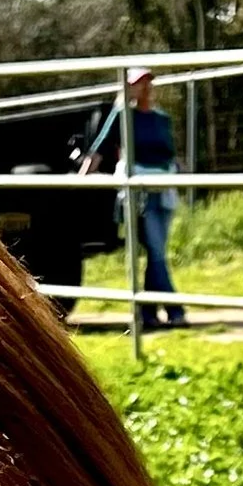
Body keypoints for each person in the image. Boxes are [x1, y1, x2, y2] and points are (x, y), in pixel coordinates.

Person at [82, 67, 185, 330]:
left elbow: (170, 154)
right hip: (139, 191)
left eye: (148, 82)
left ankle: (147, 312)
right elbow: (100, 149)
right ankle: (175, 310)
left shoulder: (162, 119)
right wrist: (79, 180)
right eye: (139, 83)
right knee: (156, 249)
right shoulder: (123, 115)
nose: (145, 87)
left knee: (155, 251)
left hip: (164, 189)